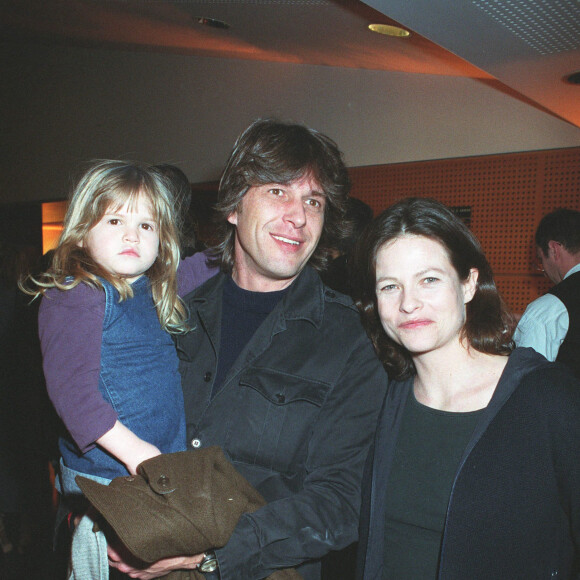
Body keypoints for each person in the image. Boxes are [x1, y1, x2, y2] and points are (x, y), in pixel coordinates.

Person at [108, 119, 388, 579]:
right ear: (235, 204)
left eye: (313, 201)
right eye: (278, 191)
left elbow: (343, 500)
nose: (298, 216)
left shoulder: (353, 340)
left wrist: (209, 554)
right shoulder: (171, 319)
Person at [352, 197, 580, 579]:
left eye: (429, 280)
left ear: (469, 283)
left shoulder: (549, 400)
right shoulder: (380, 400)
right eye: (390, 286)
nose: (409, 303)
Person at [24, 160, 216, 578]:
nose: (133, 234)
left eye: (147, 226)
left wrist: (233, 252)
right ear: (81, 231)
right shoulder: (77, 293)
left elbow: (193, 271)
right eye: (115, 219)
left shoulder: (144, 286)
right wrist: (138, 455)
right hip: (110, 471)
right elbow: (72, 395)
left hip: (144, 465)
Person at [514, 208, 580, 377]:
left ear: (554, 249)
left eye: (541, 260)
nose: (544, 270)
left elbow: (525, 384)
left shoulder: (548, 308)